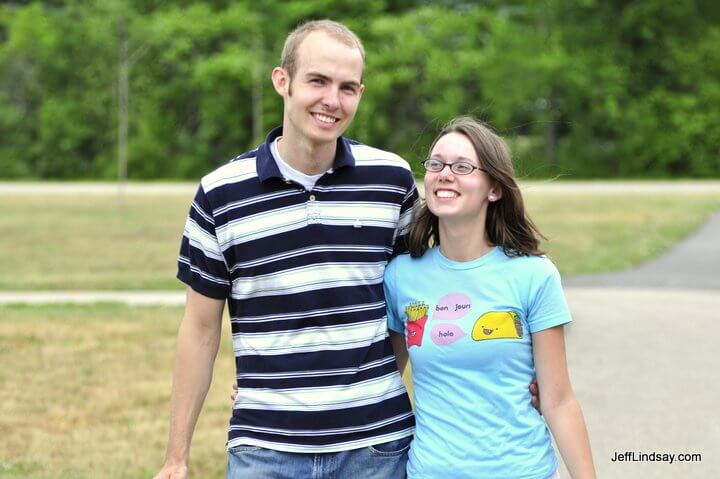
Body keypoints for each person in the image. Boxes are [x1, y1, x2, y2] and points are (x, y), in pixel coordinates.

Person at [153, 20, 418, 479]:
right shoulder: (220, 194)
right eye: (318, 81)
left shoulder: (392, 182)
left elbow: (416, 303)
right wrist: (177, 457)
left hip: (378, 447)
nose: (332, 101)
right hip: (264, 450)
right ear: (283, 81)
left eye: (348, 87)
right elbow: (199, 330)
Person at [383, 117, 595, 478]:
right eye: (436, 164)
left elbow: (558, 401)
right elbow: (385, 384)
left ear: (493, 188)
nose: (445, 174)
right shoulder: (401, 276)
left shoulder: (533, 275)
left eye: (462, 166)